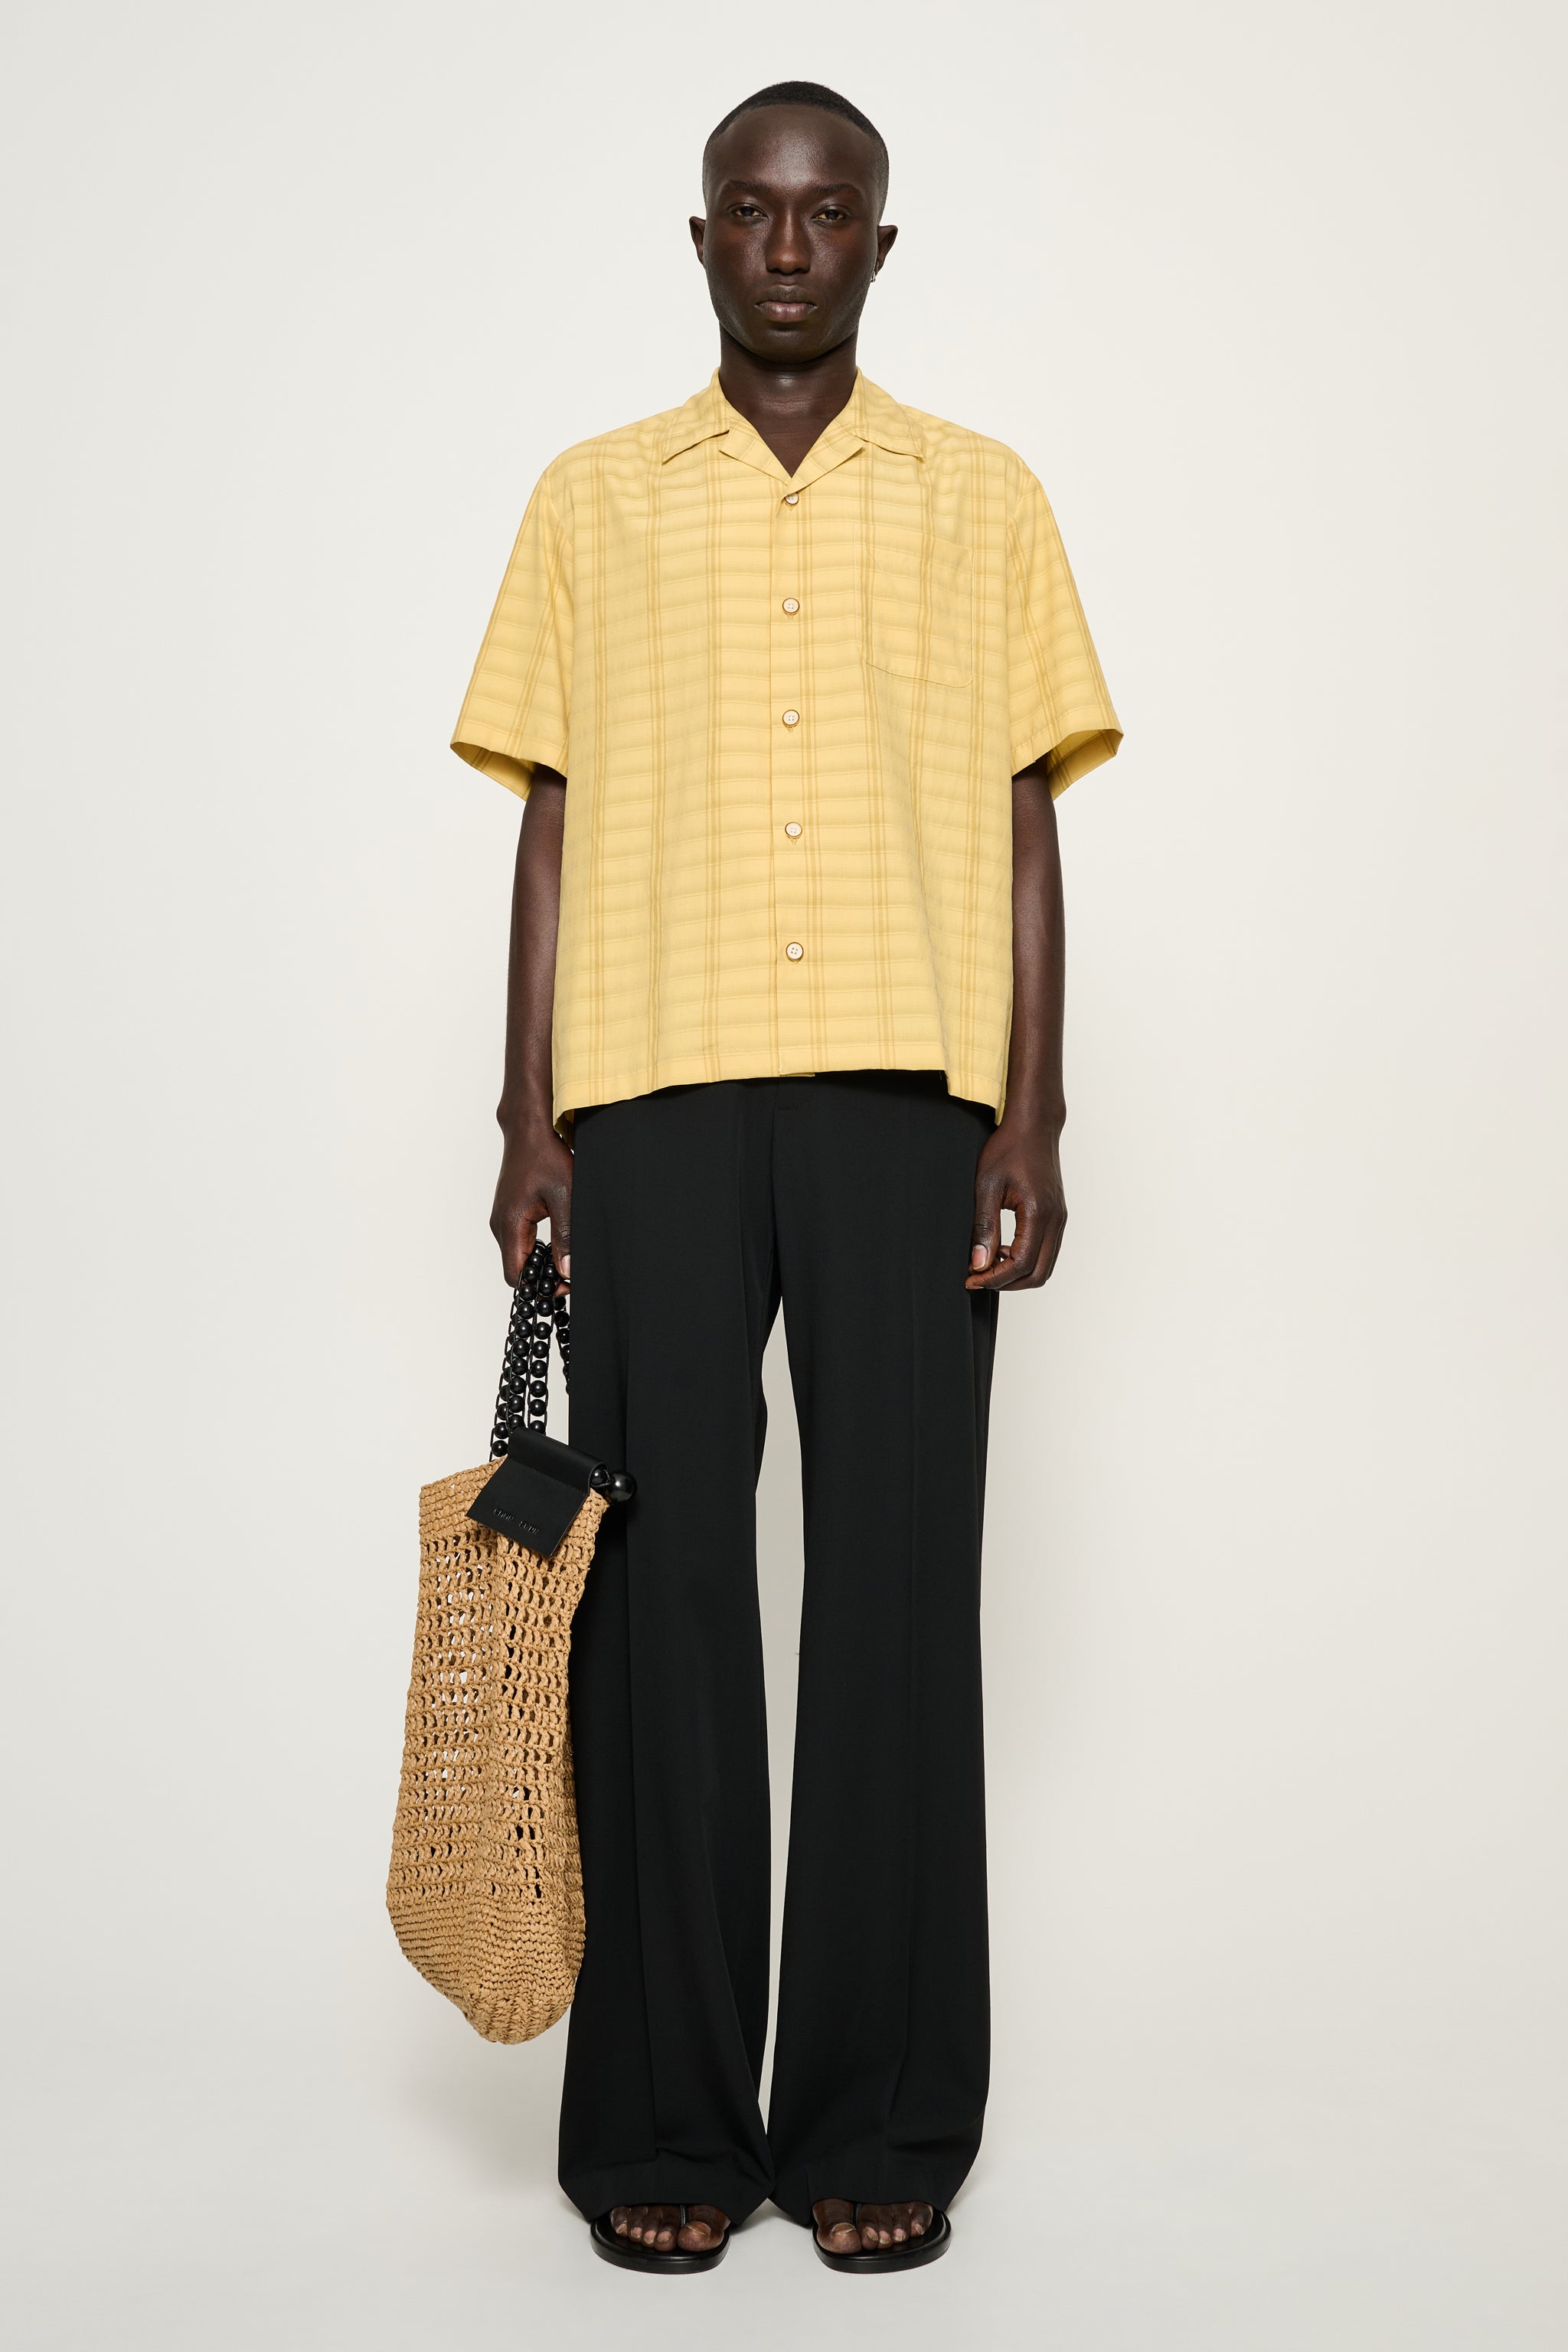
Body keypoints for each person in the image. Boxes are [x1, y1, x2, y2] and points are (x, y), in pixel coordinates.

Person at [449, 79, 1120, 2273]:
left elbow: (1025, 821)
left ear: (882, 245)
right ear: (704, 239)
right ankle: (662, 2120)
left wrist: (1032, 1113)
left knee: (900, 1590)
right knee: (658, 1599)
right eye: (754, 209)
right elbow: (549, 821)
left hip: (911, 1105)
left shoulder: (983, 496)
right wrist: (528, 1116)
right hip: (647, 1095)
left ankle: (880, 2117)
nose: (793, 244)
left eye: (831, 213)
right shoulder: (593, 498)